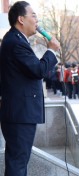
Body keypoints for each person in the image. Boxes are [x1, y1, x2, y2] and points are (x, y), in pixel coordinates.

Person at [0, 1, 60, 175]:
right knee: (18, 162)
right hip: (19, 114)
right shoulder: (16, 42)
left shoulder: (15, 40)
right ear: (21, 19)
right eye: (33, 15)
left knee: (18, 161)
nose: (37, 20)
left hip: (18, 112)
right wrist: (51, 51)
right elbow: (38, 70)